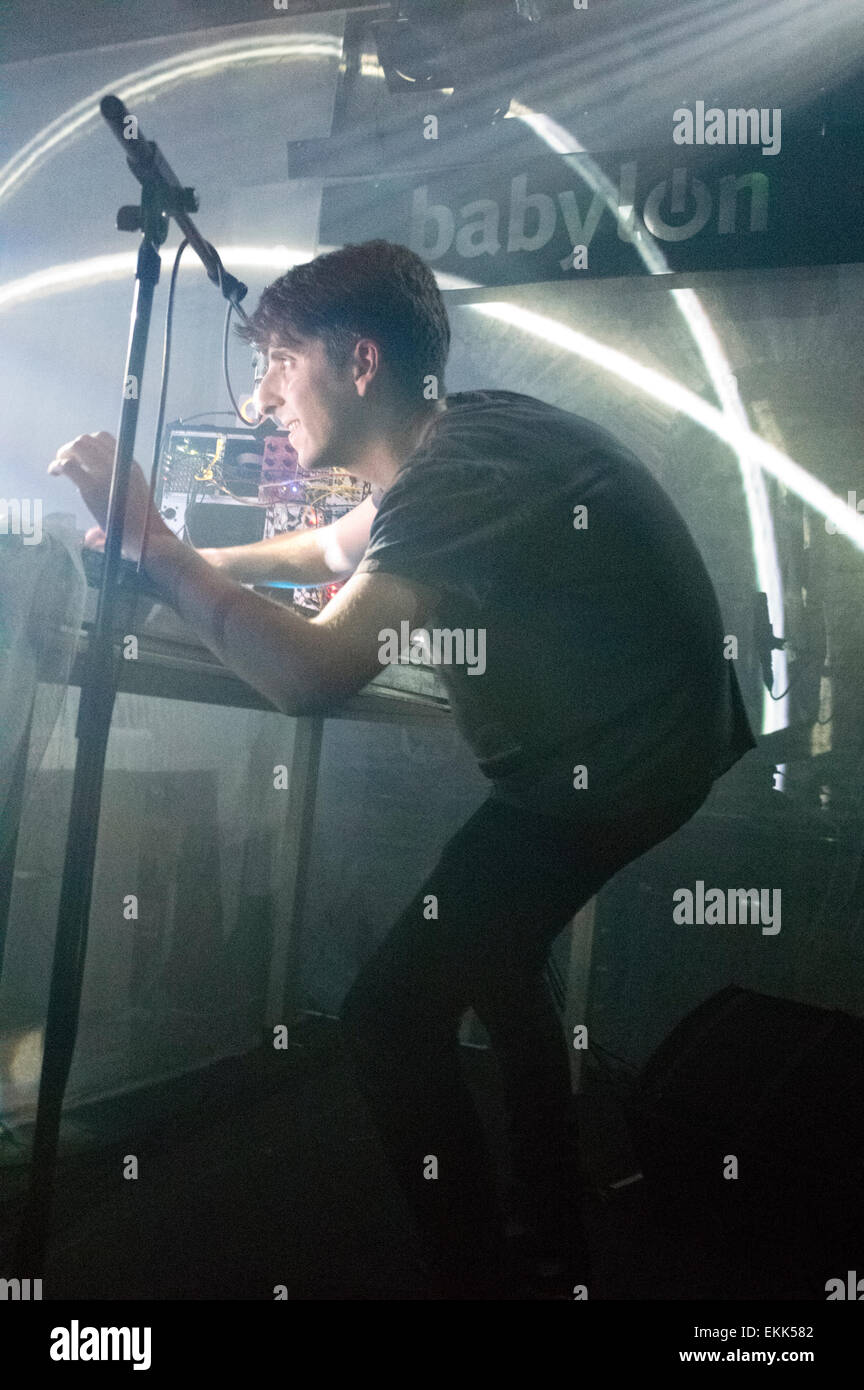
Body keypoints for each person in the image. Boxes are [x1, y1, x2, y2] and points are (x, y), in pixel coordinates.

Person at [49, 238, 756, 1300]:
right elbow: (324, 552)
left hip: (611, 773)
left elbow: (311, 674)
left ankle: (477, 1285)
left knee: (389, 1014)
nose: (262, 402)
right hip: (644, 744)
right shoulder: (467, 437)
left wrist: (155, 546)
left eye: (282, 362)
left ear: (361, 361)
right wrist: (147, 553)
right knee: (502, 968)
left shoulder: (453, 477)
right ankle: (553, 1241)